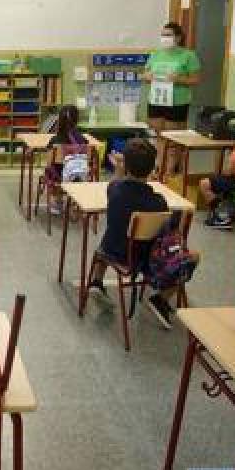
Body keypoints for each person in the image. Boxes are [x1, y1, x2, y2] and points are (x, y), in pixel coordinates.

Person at [85, 139, 180, 329]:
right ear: (152, 168)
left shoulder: (115, 190)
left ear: (126, 166)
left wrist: (119, 169)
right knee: (188, 256)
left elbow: (116, 183)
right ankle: (161, 299)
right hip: (146, 259)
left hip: (115, 252)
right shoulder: (159, 202)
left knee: (112, 233)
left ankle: (96, 280)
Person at [143, 22, 202, 173]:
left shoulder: (188, 55)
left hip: (177, 102)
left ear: (178, 37)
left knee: (174, 137)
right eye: (163, 35)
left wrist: (179, 79)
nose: (164, 38)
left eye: (168, 35)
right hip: (156, 100)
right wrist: (147, 76)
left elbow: (196, 79)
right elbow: (145, 75)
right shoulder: (155, 54)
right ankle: (159, 166)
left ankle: (171, 169)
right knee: (159, 135)